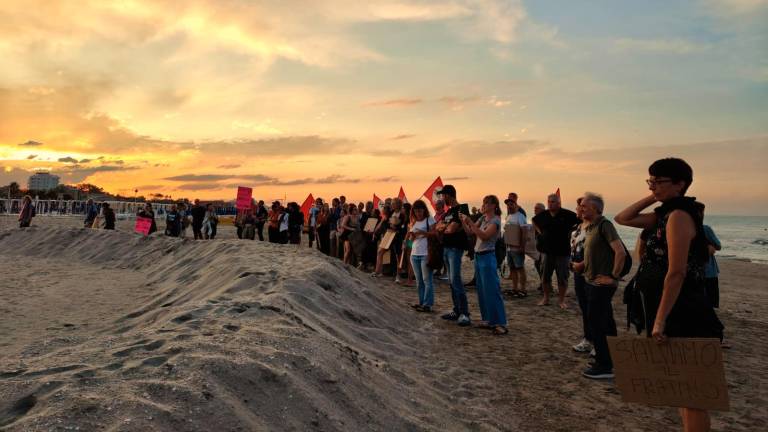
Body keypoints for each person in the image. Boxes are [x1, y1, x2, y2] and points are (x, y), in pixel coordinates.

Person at [615, 157, 723, 431]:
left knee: (693, 396)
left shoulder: (678, 216)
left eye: (659, 182)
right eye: (650, 181)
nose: (653, 187)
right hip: (668, 307)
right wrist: (653, 195)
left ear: (680, 184)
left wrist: (660, 319)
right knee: (681, 391)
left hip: (684, 310)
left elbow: (677, 272)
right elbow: (622, 218)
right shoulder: (663, 214)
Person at [573, 193, 625, 379]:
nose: (580, 208)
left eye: (584, 206)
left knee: (597, 322)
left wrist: (613, 276)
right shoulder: (590, 227)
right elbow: (593, 255)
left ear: (596, 208)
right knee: (605, 322)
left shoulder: (605, 225)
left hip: (601, 284)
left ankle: (604, 366)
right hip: (589, 280)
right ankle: (610, 357)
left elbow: (620, 252)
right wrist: (582, 267)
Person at [461, 195, 508, 335]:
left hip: (488, 256)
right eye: (484, 202)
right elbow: (471, 232)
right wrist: (464, 222)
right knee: (482, 291)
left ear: (494, 205)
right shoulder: (482, 218)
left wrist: (470, 221)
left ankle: (500, 322)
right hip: (479, 256)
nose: (485, 205)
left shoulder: (496, 220)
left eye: (488, 203)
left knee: (492, 290)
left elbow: (484, 236)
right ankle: (487, 319)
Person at [532, 194, 579, 309]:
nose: (550, 204)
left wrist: (572, 231)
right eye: (549, 201)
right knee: (545, 277)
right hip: (547, 252)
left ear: (559, 203)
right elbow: (534, 221)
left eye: (553, 202)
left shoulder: (567, 214)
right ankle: (546, 298)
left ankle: (561, 300)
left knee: (562, 278)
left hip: (563, 252)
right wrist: (540, 232)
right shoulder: (543, 215)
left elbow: (580, 221)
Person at [436, 185, 471, 327]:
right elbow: (438, 227)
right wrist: (444, 227)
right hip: (446, 248)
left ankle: (464, 313)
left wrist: (444, 227)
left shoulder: (461, 209)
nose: (442, 198)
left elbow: (451, 229)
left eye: (443, 196)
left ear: (449, 195)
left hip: (455, 249)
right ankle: (457, 311)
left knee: (456, 280)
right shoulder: (448, 212)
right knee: (451, 281)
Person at [569, 197, 592, 354]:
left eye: (581, 207)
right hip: (578, 273)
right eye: (579, 207)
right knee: (584, 307)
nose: (578, 210)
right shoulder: (578, 228)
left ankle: (599, 342)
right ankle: (588, 339)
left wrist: (582, 264)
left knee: (594, 309)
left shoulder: (596, 228)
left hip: (591, 273)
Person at [407, 200, 437, 312]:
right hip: (414, 253)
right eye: (416, 211)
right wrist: (410, 239)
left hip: (426, 253)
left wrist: (423, 233)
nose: (418, 213)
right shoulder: (413, 221)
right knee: (419, 280)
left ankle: (427, 304)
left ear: (424, 210)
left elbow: (435, 233)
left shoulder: (429, 219)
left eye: (420, 211)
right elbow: (411, 239)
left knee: (427, 280)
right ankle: (421, 302)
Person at [503, 192, 528, 297]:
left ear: (515, 204)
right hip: (509, 247)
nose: (509, 205)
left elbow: (525, 231)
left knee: (520, 268)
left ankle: (523, 289)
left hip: (517, 248)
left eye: (511, 204)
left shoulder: (520, 216)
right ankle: (515, 288)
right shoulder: (508, 216)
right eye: (508, 204)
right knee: (512, 268)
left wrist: (522, 246)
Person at [702, 223, 721, 309]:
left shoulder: (681, 228)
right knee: (710, 303)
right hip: (708, 271)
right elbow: (718, 245)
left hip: (690, 272)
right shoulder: (705, 229)